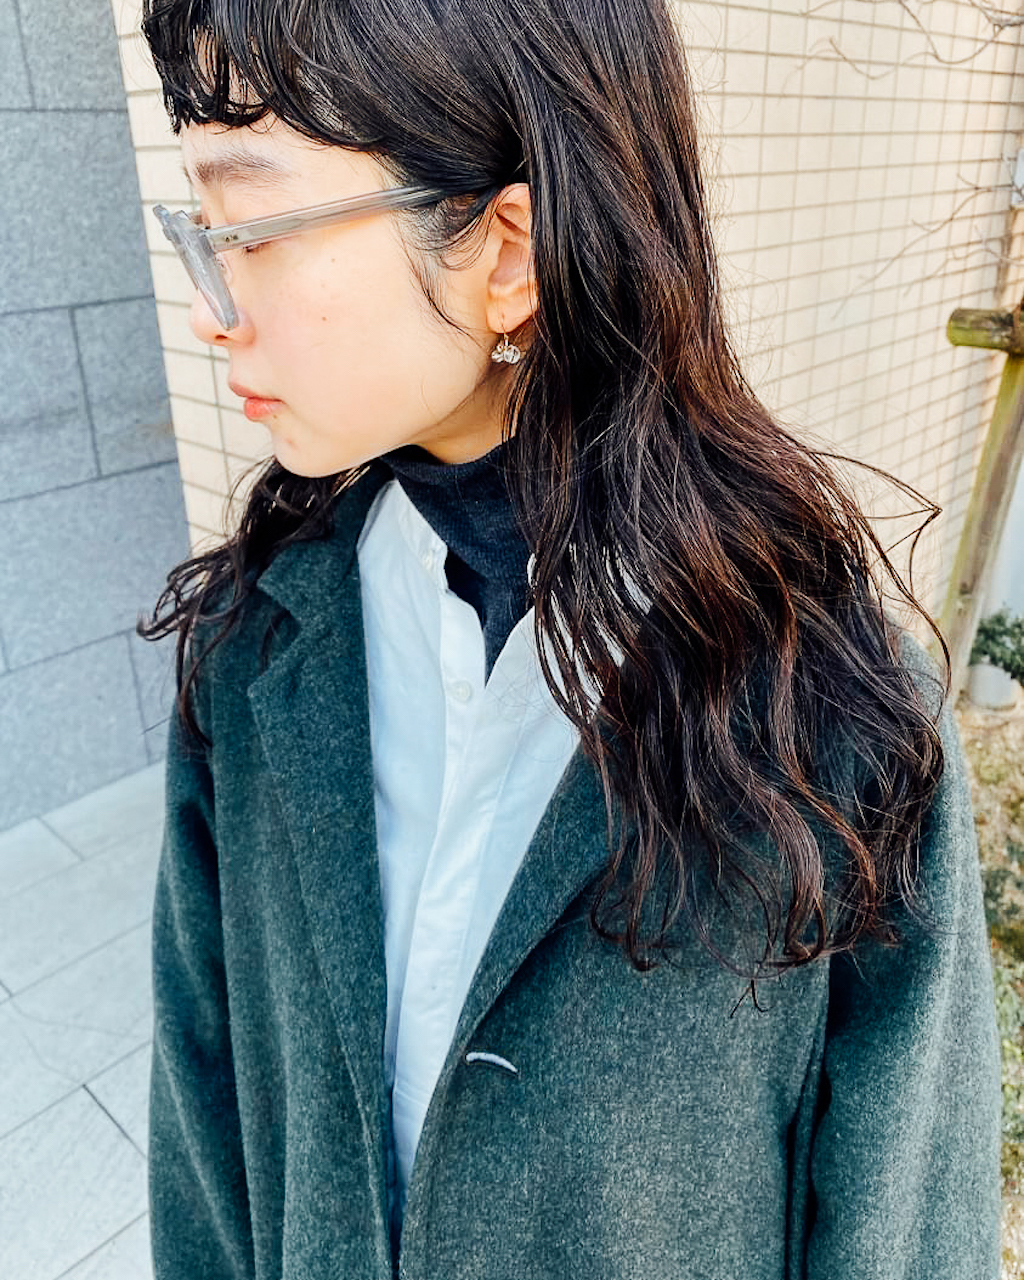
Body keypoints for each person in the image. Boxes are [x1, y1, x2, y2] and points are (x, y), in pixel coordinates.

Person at [138, 1, 1002, 1277]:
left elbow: (906, 1232)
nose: (213, 307)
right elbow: (205, 1155)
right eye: (198, 230)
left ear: (507, 251)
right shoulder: (257, 649)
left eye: (250, 230)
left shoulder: (824, 720)